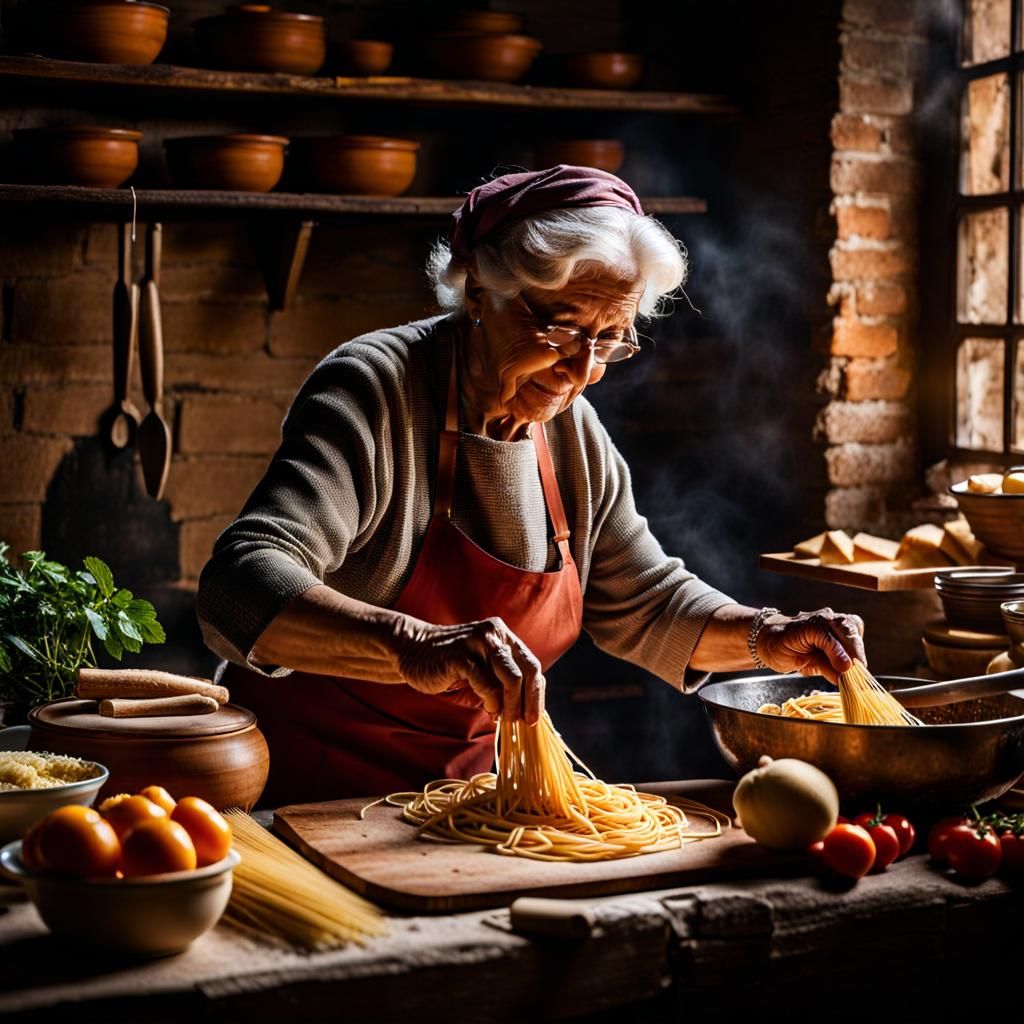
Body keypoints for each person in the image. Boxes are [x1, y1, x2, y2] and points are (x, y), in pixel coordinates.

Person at [196, 165, 865, 806]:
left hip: (458, 799)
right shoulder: (377, 388)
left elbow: (648, 601)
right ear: (481, 291)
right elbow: (239, 583)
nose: (582, 369)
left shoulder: (571, 430)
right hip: (299, 790)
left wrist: (766, 635)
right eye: (561, 325)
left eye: (609, 339)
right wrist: (412, 645)